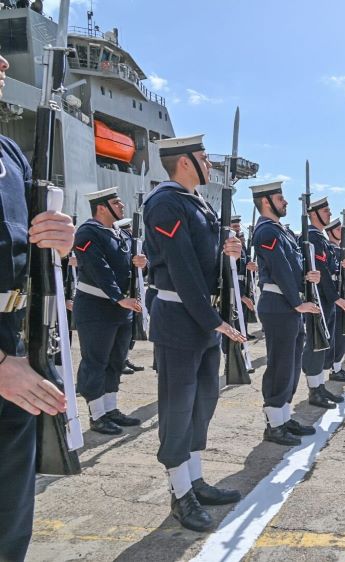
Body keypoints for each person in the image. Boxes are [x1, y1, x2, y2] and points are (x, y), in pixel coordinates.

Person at [143, 134, 246, 532]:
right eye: (203, 156)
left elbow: (207, 261)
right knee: (177, 407)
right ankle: (180, 493)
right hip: (178, 318)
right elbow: (181, 266)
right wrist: (212, 319)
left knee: (202, 403)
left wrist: (230, 250)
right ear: (184, 161)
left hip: (202, 318)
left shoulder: (197, 203)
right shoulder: (165, 203)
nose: (209, 163)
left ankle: (196, 480)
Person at [0, 51, 76, 562]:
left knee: (10, 525)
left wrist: (60, 242)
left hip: (16, 357)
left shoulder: (10, 154)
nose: (4, 64)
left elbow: (33, 257)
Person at [249, 181, 319, 447]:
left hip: (287, 304)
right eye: (280, 198)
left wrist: (307, 277)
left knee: (290, 364)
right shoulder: (267, 231)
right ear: (265, 202)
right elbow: (279, 269)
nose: (285, 201)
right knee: (280, 365)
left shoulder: (282, 231)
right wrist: (297, 302)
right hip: (278, 304)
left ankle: (284, 417)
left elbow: (293, 267)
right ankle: (274, 425)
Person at [73, 188, 146, 435]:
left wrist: (142, 265)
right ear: (102, 207)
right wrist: (118, 297)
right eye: (116, 202)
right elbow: (97, 268)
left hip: (120, 309)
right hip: (96, 308)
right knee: (96, 361)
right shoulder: (88, 232)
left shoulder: (120, 234)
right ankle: (97, 415)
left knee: (116, 360)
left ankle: (110, 408)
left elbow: (129, 268)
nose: (122, 206)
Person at [300, 197, 345, 408]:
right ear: (313, 214)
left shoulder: (320, 239)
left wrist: (342, 265)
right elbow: (320, 271)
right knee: (316, 344)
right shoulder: (311, 238)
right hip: (318, 298)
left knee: (323, 345)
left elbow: (330, 270)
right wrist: (335, 297)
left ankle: (319, 386)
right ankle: (314, 390)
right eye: (326, 211)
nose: (330, 214)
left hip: (325, 300)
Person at [325, 218, 345, 383]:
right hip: (334, 297)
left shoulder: (342, 251)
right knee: (336, 335)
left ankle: (337, 367)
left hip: (343, 295)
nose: (341, 234)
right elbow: (329, 272)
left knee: (343, 335)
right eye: (338, 230)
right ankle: (334, 368)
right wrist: (340, 267)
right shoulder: (328, 249)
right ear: (330, 232)